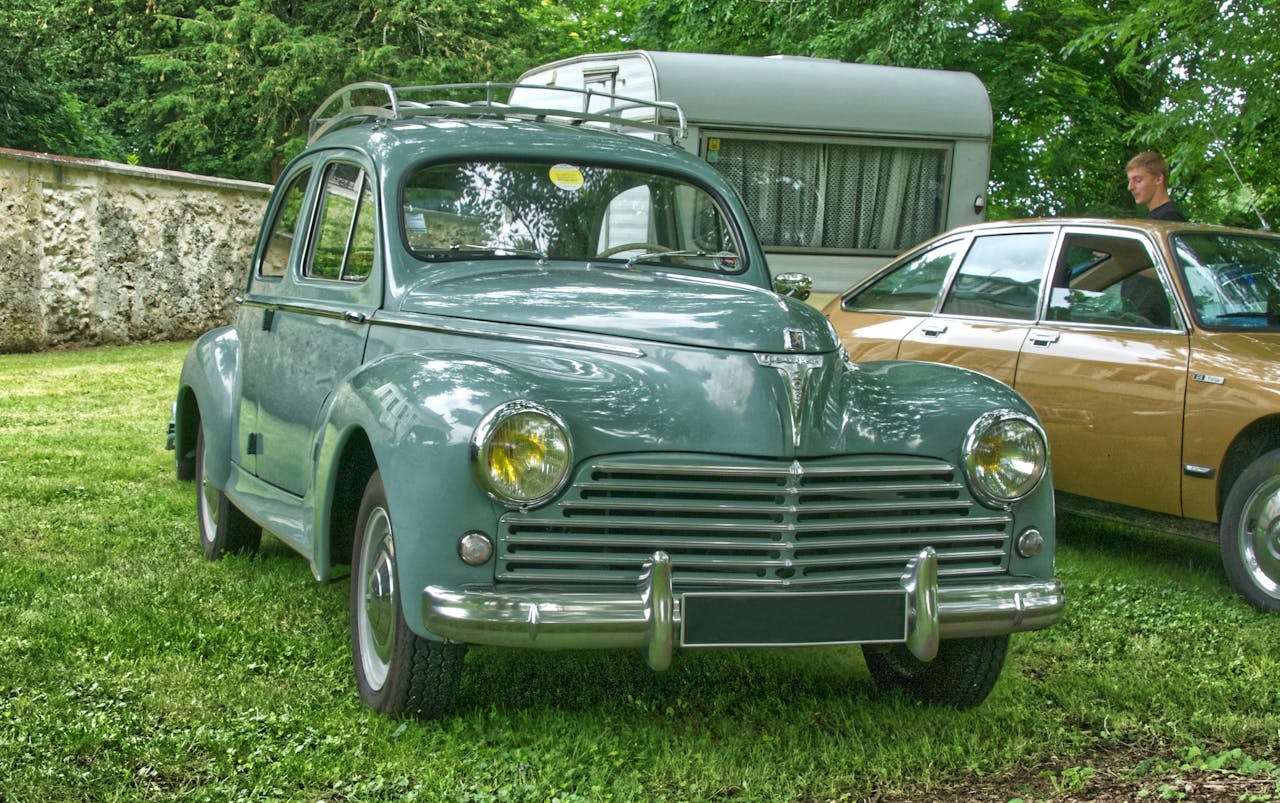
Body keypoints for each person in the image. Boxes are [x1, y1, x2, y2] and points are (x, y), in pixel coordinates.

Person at [1126, 151, 1186, 220]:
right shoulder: (1157, 216)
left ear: (1158, 179)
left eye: (1138, 180)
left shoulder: (1169, 217)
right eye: (1129, 181)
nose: (1130, 187)